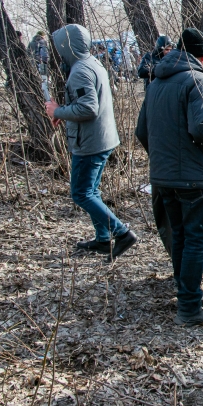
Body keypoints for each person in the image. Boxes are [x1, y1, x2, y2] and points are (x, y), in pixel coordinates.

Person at [135, 28, 203, 326]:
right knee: (197, 238)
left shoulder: (156, 83)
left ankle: (187, 292)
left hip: (161, 177)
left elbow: (141, 132)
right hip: (191, 177)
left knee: (180, 236)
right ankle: (188, 308)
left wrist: (163, 160)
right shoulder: (199, 81)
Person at [45, 24, 138, 260]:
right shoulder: (92, 63)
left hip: (91, 142)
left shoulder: (80, 70)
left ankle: (122, 233)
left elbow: (88, 108)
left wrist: (59, 110)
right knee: (91, 191)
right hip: (101, 138)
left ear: (67, 46)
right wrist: (63, 113)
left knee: (81, 193)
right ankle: (103, 239)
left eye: (60, 46)